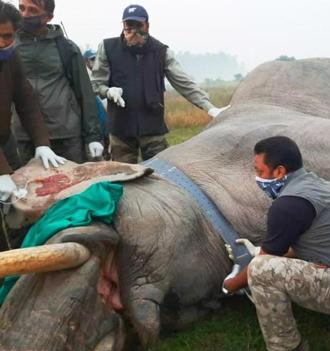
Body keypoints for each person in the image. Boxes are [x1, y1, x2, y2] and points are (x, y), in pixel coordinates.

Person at [222, 136, 330, 351]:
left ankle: (286, 348)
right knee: (268, 261)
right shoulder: (311, 184)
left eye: (260, 171)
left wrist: (230, 285)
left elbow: (265, 260)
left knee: (261, 270)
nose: (257, 178)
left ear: (279, 172)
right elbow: (297, 246)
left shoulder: (288, 204)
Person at [92, 4, 230, 163]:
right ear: (123, 25)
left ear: (147, 25)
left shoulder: (161, 51)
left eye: (138, 25)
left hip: (152, 127)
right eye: (129, 26)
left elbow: (184, 82)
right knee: (122, 177)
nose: (134, 30)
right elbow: (95, 84)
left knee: (160, 174)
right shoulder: (108, 48)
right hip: (120, 128)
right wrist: (108, 91)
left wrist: (210, 108)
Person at [12, 0, 103, 164]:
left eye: (32, 10)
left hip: (65, 136)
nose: (24, 14)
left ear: (48, 17)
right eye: (21, 8)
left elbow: (85, 93)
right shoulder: (8, 46)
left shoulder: (66, 48)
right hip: (23, 136)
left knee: (72, 186)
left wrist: (93, 136)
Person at [0, 0, 65, 201]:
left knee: (19, 197)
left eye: (7, 36)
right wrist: (1, 172)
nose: (1, 43)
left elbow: (26, 101)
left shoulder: (10, 57)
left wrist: (41, 142)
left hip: (4, 140)